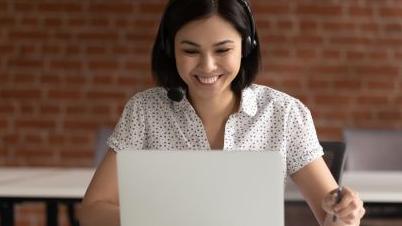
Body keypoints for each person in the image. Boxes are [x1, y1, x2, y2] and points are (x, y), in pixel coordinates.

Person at [79, 0, 365, 226]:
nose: (207, 66)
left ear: (246, 47)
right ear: (169, 50)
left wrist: (344, 213)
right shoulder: (144, 111)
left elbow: (331, 216)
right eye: (190, 51)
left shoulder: (283, 113)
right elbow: (92, 210)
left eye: (222, 50)